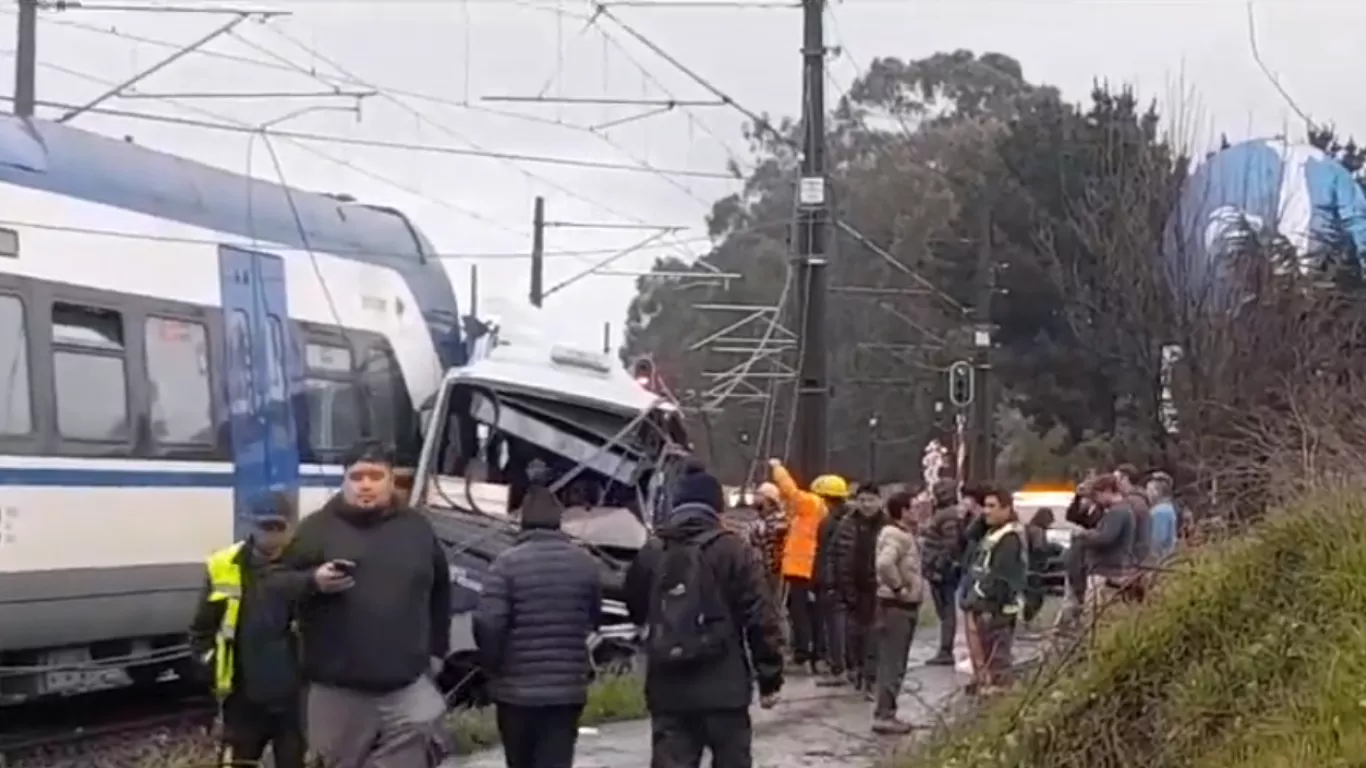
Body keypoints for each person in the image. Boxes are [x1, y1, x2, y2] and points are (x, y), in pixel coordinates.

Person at [267, 441, 452, 768]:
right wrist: (313, 581)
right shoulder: (317, 529)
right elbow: (275, 585)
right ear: (345, 481)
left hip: (406, 687)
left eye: (375, 476)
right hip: (338, 693)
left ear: (391, 480)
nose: (365, 484)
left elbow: (440, 593)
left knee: (423, 742)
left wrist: (437, 651)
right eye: (357, 476)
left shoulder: (417, 529)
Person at [624, 462, 785, 768]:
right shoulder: (734, 551)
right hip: (725, 689)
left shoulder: (653, 551)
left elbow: (635, 606)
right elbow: (761, 617)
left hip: (668, 689)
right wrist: (770, 677)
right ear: (716, 508)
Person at [474, 478, 602, 768]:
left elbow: (489, 623)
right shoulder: (584, 564)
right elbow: (594, 618)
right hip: (566, 690)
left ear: (522, 522)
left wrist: (492, 668)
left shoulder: (505, 565)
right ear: (559, 522)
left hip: (515, 692)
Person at [190, 492, 306, 768]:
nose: (272, 534)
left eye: (278, 527)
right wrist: (211, 665)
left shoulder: (305, 565)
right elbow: (202, 628)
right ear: (250, 525)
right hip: (244, 697)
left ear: (290, 527)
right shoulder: (225, 565)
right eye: (265, 526)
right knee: (241, 762)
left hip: (296, 698)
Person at [958, 487, 1028, 694]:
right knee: (981, 655)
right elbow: (968, 536)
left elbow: (1002, 578)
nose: (986, 511)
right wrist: (981, 518)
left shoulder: (1009, 537)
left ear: (1007, 509)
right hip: (981, 604)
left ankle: (998, 695)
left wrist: (987, 603)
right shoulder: (992, 531)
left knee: (996, 658)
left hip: (995, 609)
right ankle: (986, 687)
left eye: (992, 506)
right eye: (985, 506)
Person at [768, 459, 836, 672]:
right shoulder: (823, 511)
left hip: (800, 569)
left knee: (799, 613)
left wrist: (777, 468)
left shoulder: (811, 504)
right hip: (809, 568)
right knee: (812, 613)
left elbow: (791, 491)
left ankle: (802, 654)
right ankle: (816, 654)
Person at [870, 491, 925, 734]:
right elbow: (884, 563)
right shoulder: (895, 535)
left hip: (900, 607)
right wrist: (898, 587)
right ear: (903, 511)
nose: (919, 511)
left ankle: (887, 711)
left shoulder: (903, 534)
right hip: (896, 608)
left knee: (896, 661)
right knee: (893, 662)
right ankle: (884, 714)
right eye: (914, 507)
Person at [831, 481, 886, 695]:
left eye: (870, 500)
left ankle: (872, 675)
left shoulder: (887, 525)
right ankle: (857, 670)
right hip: (852, 586)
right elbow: (834, 555)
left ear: (879, 501)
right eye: (862, 500)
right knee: (854, 634)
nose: (866, 505)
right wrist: (834, 583)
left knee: (875, 634)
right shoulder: (847, 524)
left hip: (878, 588)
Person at [1072, 474, 1136, 616]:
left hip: (1105, 571)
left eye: (1098, 494)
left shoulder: (1117, 512)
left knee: (1095, 616)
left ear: (1108, 491)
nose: (1096, 499)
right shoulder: (1123, 510)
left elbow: (1105, 537)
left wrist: (1083, 534)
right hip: (1110, 570)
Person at [810, 475, 852, 685]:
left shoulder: (827, 522)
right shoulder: (853, 517)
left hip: (831, 581)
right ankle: (852, 667)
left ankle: (839, 669)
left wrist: (817, 580)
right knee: (849, 624)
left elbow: (823, 554)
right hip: (851, 579)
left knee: (834, 625)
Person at [920, 479, 966, 667]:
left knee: (946, 612)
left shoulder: (947, 515)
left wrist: (939, 565)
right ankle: (945, 648)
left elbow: (950, 544)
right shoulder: (948, 514)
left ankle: (945, 650)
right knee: (945, 611)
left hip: (941, 570)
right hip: (939, 568)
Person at [1115, 463, 1152, 573]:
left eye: (1116, 479)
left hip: (1131, 561)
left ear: (1125, 479)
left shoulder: (1133, 503)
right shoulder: (1138, 500)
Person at [1146, 472, 1179, 562]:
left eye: (1149, 490)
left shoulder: (1160, 512)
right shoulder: (1167, 508)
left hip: (1160, 561)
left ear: (1156, 492)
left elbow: (1157, 541)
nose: (1147, 493)